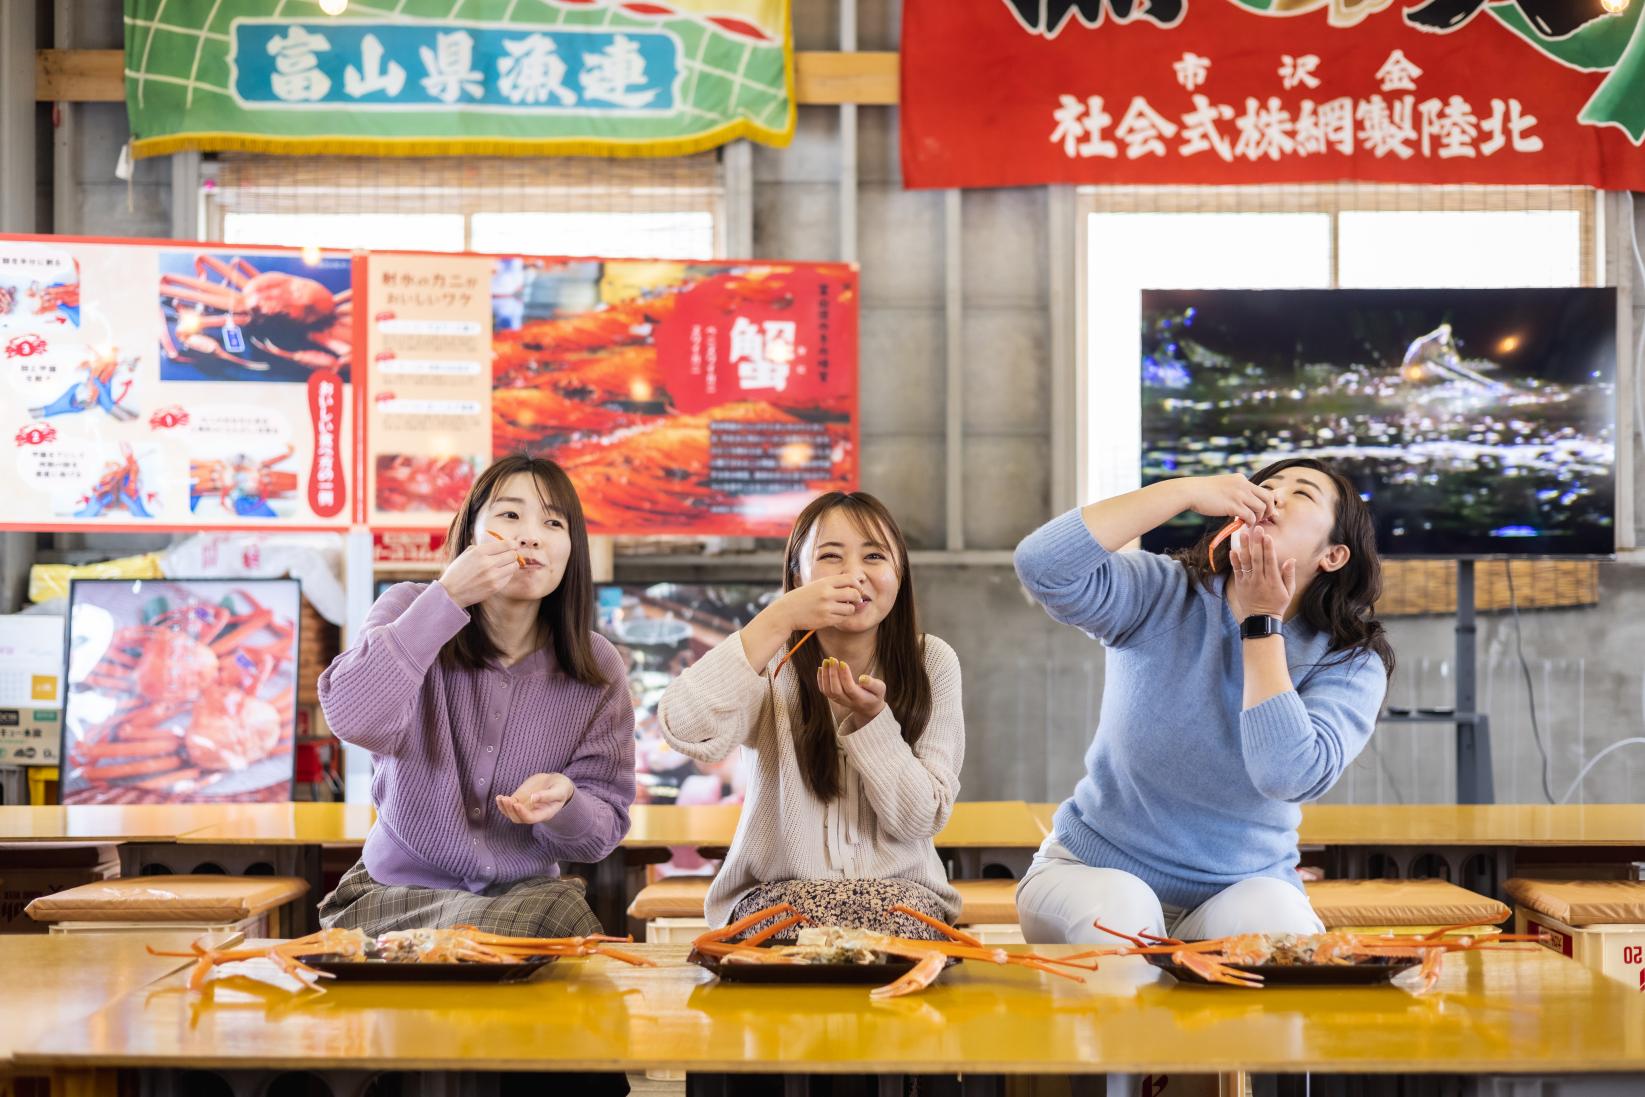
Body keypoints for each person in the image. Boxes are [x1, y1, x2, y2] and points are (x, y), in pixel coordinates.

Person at [1013, 459, 1394, 944]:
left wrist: (1261, 624)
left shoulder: (1349, 659)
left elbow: (1286, 774)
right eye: (1266, 485)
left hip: (1238, 888)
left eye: (1302, 494)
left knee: (1280, 927)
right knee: (1122, 915)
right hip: (1089, 870)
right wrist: (1183, 492)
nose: (1273, 495)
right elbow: (1041, 565)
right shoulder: (1162, 591)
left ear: (1334, 556)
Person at [317, 453, 635, 939]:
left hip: (524, 901)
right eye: (509, 515)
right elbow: (353, 717)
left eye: (553, 522)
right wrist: (445, 598)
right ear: (470, 536)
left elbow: (601, 833)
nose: (530, 535)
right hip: (394, 899)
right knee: (554, 929)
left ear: (572, 550)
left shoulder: (596, 665)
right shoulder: (408, 609)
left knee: (550, 919)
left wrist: (566, 800)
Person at [658, 491, 964, 939]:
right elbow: (684, 727)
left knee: (898, 930)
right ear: (797, 575)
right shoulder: (770, 659)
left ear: (900, 573)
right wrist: (777, 619)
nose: (854, 575)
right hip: (775, 896)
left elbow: (920, 820)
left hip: (904, 898)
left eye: (874, 555)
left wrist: (873, 724)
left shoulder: (932, 662)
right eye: (830, 557)